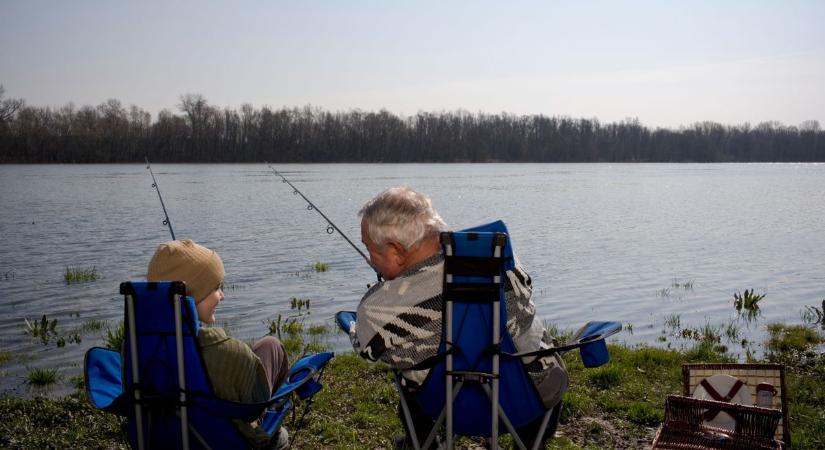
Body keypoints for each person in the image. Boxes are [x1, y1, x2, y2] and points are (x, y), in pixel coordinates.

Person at [348, 187, 569, 449]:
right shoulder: (502, 258)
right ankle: (534, 443)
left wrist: (356, 322)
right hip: (531, 401)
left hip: (446, 407)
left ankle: (422, 443)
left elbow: (366, 348)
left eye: (369, 249)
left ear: (396, 251)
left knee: (410, 373)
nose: (369, 258)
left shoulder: (380, 309)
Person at [147, 239, 290, 449]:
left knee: (268, 344)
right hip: (220, 441)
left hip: (159, 438)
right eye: (216, 287)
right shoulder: (226, 351)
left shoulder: (136, 348)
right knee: (281, 436)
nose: (222, 296)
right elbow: (258, 404)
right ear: (193, 293)